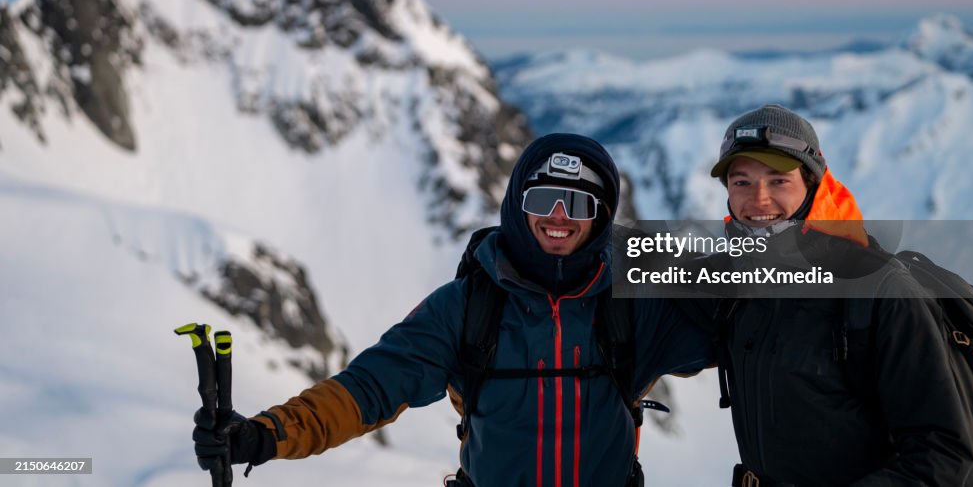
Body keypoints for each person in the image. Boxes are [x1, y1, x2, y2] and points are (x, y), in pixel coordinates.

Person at [193, 133, 712, 486]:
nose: (558, 217)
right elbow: (371, 387)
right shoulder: (467, 306)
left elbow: (745, 321)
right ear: (516, 204)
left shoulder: (635, 301)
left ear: (601, 219)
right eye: (543, 199)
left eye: (578, 204)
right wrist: (265, 435)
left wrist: (792, 227)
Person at [703, 103, 973, 487]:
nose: (758, 199)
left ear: (812, 186)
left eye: (779, 180)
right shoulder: (737, 284)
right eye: (741, 182)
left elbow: (945, 454)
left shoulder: (882, 292)